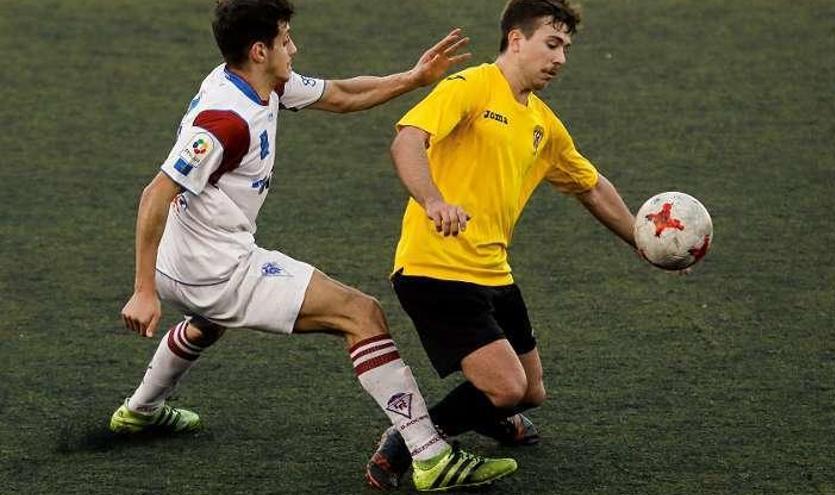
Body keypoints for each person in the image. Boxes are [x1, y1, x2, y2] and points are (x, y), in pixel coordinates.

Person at [109, 0, 517, 491]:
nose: (294, 47)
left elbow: (342, 94)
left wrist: (412, 78)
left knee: (210, 319)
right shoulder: (227, 121)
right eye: (286, 39)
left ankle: (141, 410)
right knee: (361, 314)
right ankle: (431, 456)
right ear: (260, 50)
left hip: (184, 256)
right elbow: (156, 193)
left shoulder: (258, 82)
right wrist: (142, 290)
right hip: (215, 271)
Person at [366, 0, 638, 488]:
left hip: (492, 273)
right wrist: (433, 201)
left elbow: (591, 186)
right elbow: (407, 140)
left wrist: (645, 241)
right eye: (551, 44)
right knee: (506, 386)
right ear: (516, 39)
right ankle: (410, 439)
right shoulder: (470, 86)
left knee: (530, 393)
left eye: (566, 48)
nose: (560, 59)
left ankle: (487, 413)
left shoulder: (543, 123)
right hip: (436, 268)